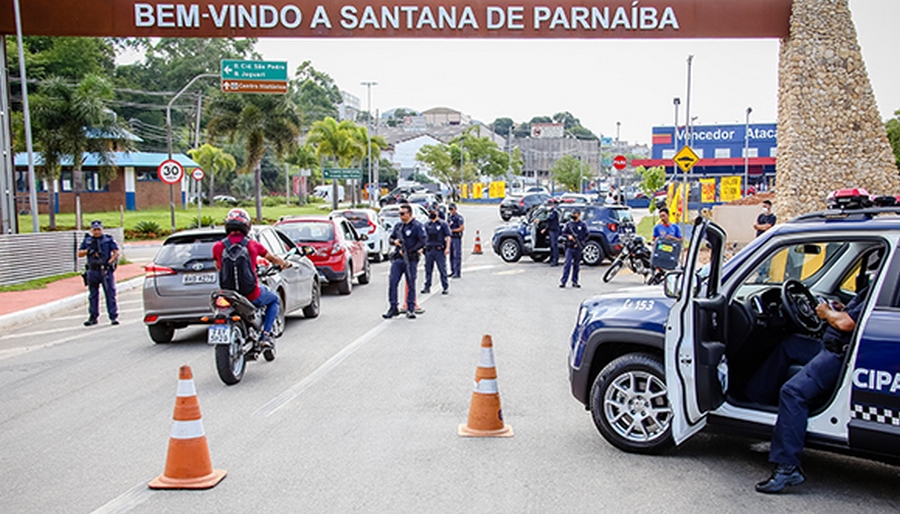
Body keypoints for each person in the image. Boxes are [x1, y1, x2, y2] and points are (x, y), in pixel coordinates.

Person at [751, 276, 875, 493]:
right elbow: (855, 315)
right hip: (831, 346)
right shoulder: (883, 282)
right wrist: (840, 309)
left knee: (792, 393)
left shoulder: (893, 279)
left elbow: (847, 323)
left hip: (839, 354)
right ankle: (754, 402)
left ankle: (788, 468)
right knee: (790, 345)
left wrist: (828, 314)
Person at [212, 208, 290, 349]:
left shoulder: (218, 247)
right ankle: (266, 335)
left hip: (227, 294)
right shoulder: (252, 245)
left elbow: (218, 267)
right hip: (251, 294)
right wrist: (284, 264)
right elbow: (273, 259)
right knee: (274, 299)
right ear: (247, 226)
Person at [384, 204, 426, 319]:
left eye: (403, 213)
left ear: (409, 214)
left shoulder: (417, 226)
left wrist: (409, 250)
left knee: (411, 283)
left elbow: (422, 241)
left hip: (411, 258)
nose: (400, 216)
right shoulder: (398, 226)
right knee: (393, 282)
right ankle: (393, 307)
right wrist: (395, 242)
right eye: (400, 213)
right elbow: (390, 238)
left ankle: (410, 308)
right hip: (398, 258)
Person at [78, 220, 120, 326]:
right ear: (91, 230)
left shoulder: (108, 239)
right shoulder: (87, 240)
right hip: (92, 270)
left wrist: (110, 263)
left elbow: (116, 252)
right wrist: (88, 251)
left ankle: (113, 316)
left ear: (102, 229)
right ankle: (93, 317)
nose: (97, 232)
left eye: (98, 229)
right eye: (94, 230)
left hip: (105, 270)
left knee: (110, 293)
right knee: (93, 295)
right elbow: (79, 253)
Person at [421, 208, 451, 295]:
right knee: (428, 269)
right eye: (430, 212)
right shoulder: (426, 225)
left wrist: (447, 248)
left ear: (437, 213)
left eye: (433, 212)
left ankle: (445, 287)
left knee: (442, 269)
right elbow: (423, 238)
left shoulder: (443, 224)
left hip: (439, 250)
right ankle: (427, 287)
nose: (431, 213)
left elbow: (448, 236)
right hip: (429, 250)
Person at [560, 210, 589, 288]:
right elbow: (563, 233)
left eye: (575, 214)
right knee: (567, 264)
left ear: (579, 215)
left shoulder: (582, 225)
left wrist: (582, 243)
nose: (573, 215)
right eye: (572, 214)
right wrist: (568, 236)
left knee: (576, 265)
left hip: (578, 247)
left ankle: (575, 281)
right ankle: (563, 281)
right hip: (569, 246)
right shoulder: (569, 225)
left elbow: (586, 235)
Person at [447, 203, 464, 278]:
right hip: (451, 237)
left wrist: (453, 230)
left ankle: (457, 272)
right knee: (451, 256)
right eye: (450, 209)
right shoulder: (449, 218)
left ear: (455, 209)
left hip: (456, 237)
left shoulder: (458, 217)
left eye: (452, 209)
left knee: (457, 255)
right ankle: (453, 270)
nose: (451, 211)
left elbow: (461, 228)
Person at [542, 200, 561, 266]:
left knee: (554, 245)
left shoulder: (554, 212)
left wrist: (542, 218)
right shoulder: (551, 212)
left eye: (549, 205)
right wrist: (545, 229)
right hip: (551, 230)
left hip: (554, 230)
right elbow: (548, 222)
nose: (548, 206)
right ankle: (551, 258)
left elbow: (549, 218)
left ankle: (555, 260)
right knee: (551, 246)